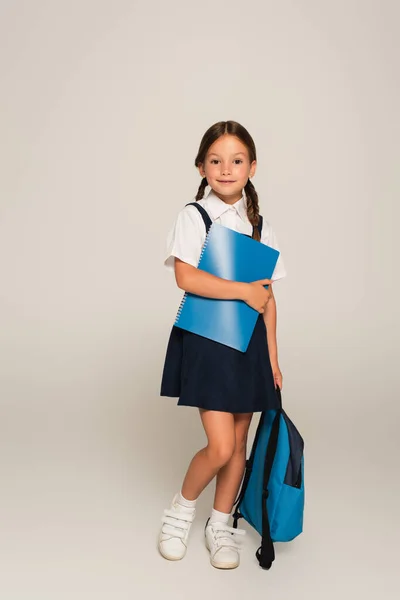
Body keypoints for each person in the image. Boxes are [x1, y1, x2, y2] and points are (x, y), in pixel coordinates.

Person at [158, 120, 287, 569]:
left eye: (236, 161)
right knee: (221, 446)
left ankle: (220, 523)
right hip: (208, 342)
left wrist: (272, 359)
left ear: (252, 167)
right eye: (216, 160)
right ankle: (181, 510)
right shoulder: (194, 215)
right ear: (201, 166)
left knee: (239, 439)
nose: (226, 169)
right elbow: (186, 277)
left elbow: (269, 302)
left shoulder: (260, 227)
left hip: (248, 347)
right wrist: (244, 291)